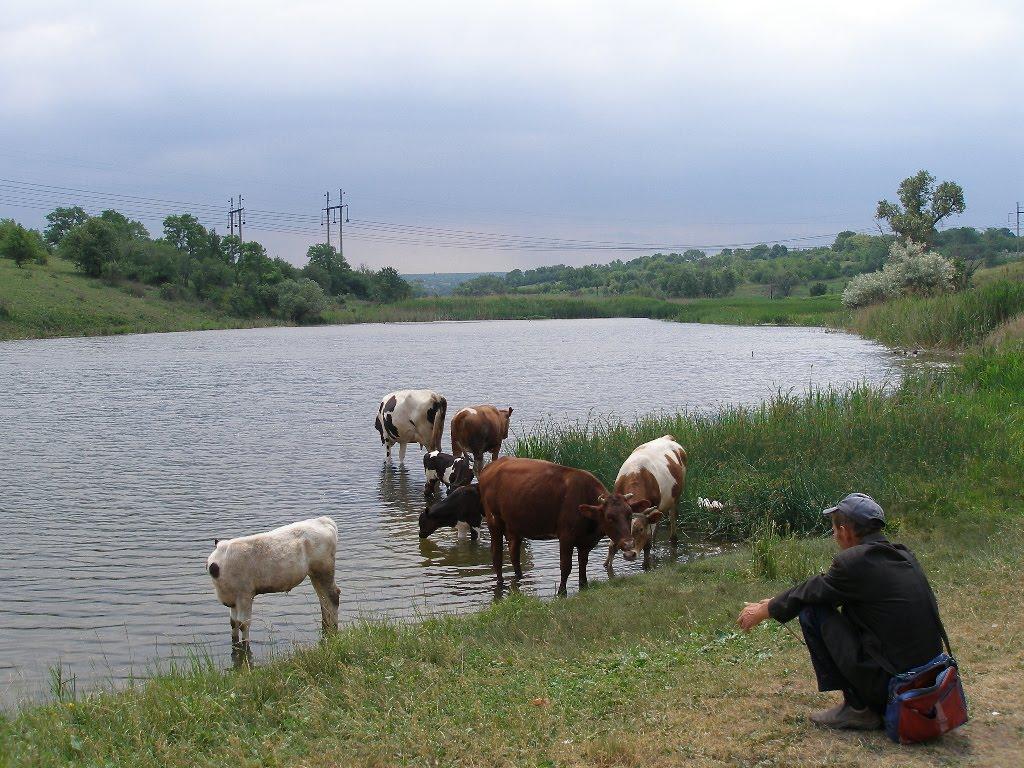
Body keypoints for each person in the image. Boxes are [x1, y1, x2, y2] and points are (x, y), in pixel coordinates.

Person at [736, 493, 944, 730]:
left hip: (895, 687)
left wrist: (765, 609)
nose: (835, 537)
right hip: (930, 681)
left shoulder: (853, 561)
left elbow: (813, 592)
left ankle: (858, 708)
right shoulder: (903, 554)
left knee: (812, 611)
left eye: (834, 531)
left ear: (845, 531)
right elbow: (821, 587)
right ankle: (861, 704)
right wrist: (774, 602)